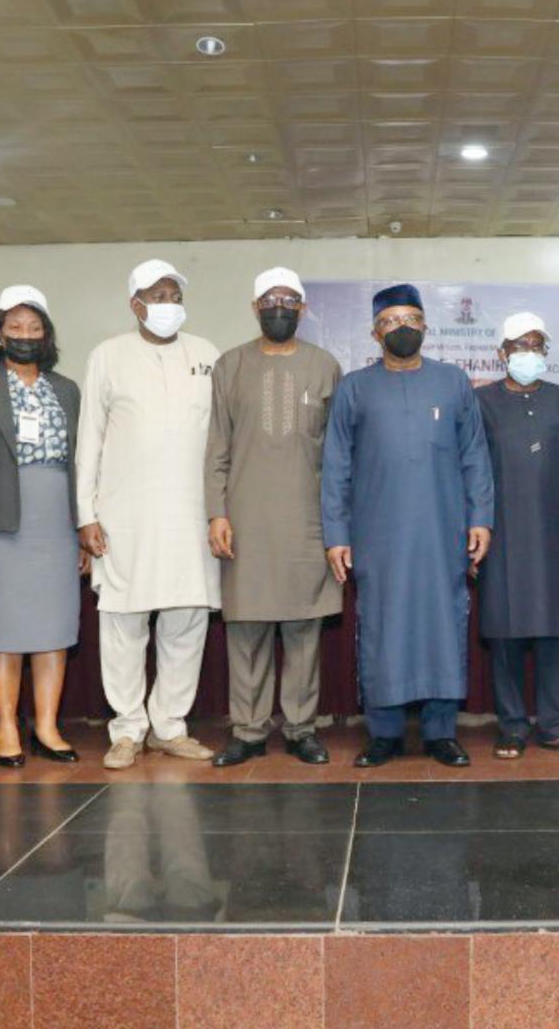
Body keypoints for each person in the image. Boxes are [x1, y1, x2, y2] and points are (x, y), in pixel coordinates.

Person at [321, 283, 494, 768]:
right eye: (391, 322)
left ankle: (441, 733)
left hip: (443, 531)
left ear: (425, 325)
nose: (402, 329)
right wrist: (336, 535)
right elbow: (335, 466)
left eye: (410, 320)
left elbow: (474, 457)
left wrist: (481, 519)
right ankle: (385, 735)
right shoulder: (355, 387)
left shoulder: (453, 382)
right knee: (383, 628)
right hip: (378, 536)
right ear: (375, 332)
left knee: (443, 625)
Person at [75, 261, 221, 770]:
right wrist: (85, 514)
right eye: (155, 294)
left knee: (187, 622)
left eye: (174, 293)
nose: (167, 302)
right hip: (124, 517)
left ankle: (170, 727)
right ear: (133, 303)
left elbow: (220, 441)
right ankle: (128, 729)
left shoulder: (207, 355)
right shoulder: (108, 355)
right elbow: (89, 437)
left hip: (192, 516)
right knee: (123, 624)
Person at [204, 267, 342, 768]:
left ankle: (302, 729)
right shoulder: (230, 365)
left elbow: (337, 456)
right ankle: (248, 731)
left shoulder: (325, 366)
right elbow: (217, 446)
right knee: (247, 632)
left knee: (304, 632)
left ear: (303, 309)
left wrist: (338, 526)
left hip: (307, 522)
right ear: (255, 307)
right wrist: (216, 513)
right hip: (244, 521)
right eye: (269, 299)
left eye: (288, 300)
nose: (279, 307)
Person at [0, 286, 86, 767]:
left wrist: (82, 525)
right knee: (1, 629)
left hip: (56, 523)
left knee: (53, 629)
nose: (25, 336)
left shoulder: (66, 388)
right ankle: (7, 725)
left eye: (34, 328)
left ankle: (46, 727)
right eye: (15, 328)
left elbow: (80, 464)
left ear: (46, 335)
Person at [476, 311, 559, 758]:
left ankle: (553, 724)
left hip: (554, 535)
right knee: (504, 632)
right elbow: (470, 470)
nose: (528, 354)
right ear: (502, 353)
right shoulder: (482, 402)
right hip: (500, 536)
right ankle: (510, 726)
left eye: (536, 346)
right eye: (520, 346)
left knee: (553, 632)